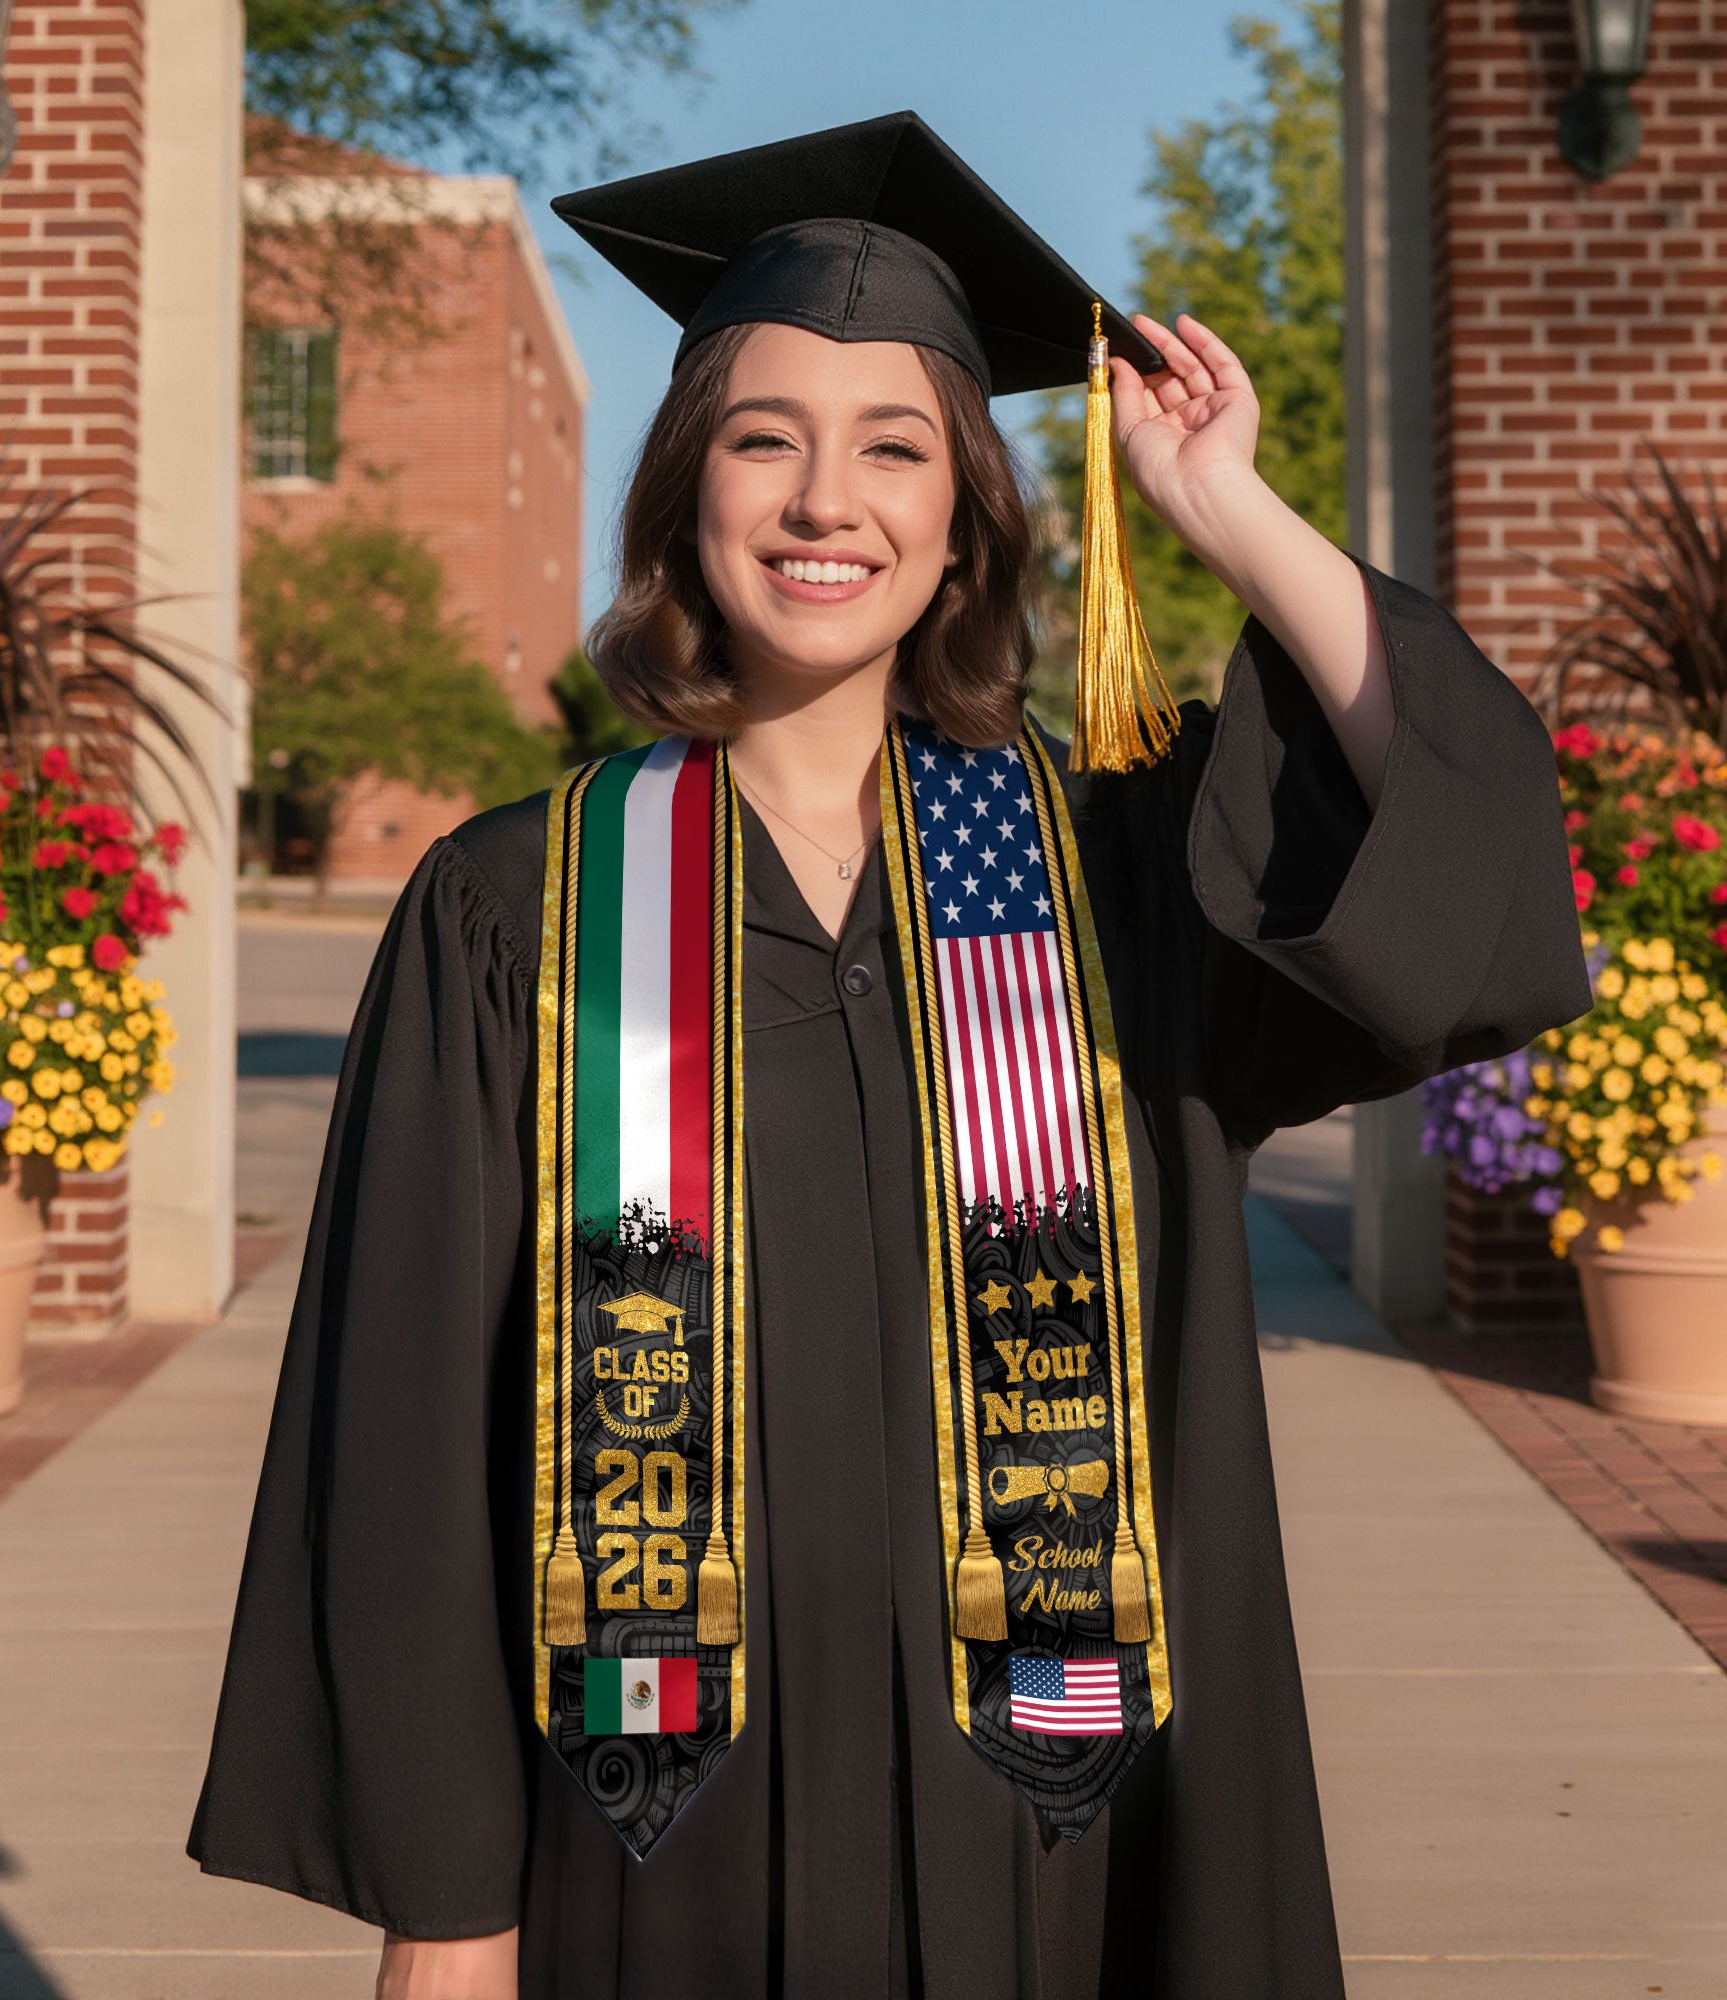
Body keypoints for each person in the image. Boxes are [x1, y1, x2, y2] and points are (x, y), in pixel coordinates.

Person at [187, 113, 1592, 2000]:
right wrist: (448, 1908)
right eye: (765, 439)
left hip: (1065, 1839)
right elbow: (409, 1435)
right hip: (647, 1843)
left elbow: (1457, 861)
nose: (823, 500)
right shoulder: (517, 911)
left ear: (962, 523)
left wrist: (1226, 509)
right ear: (689, 489)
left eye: (894, 448)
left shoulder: (1120, 878)